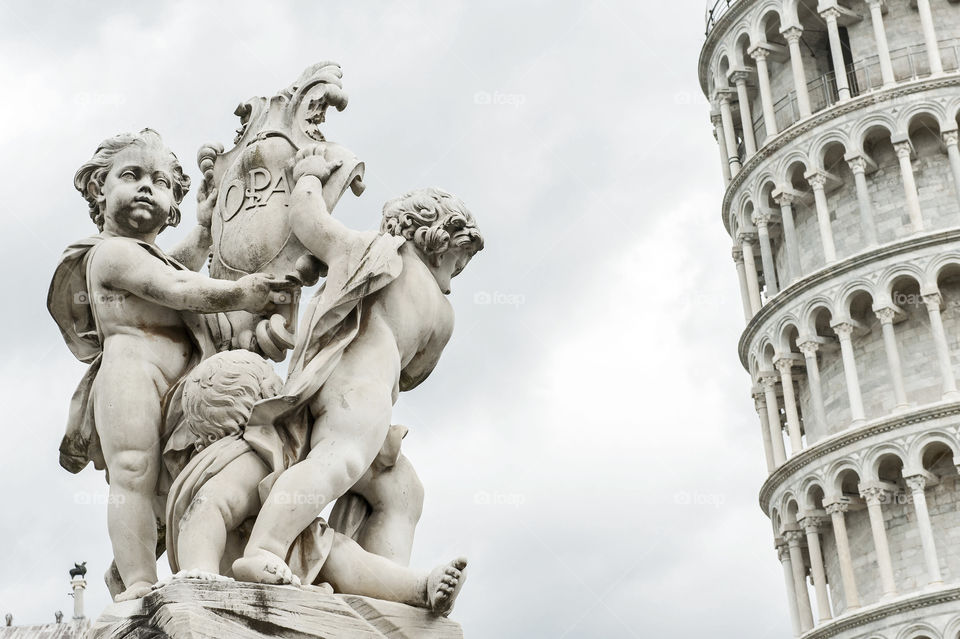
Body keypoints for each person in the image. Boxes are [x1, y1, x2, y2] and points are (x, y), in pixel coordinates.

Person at [47, 129, 296, 602]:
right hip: (131, 376)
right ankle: (138, 583)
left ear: (173, 202)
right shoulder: (109, 253)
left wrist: (202, 231)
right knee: (133, 474)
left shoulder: (151, 257)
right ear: (99, 189)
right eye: (132, 175)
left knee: (169, 480)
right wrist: (241, 293)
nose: (147, 186)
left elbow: (175, 268)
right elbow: (176, 288)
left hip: (181, 384)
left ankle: (162, 558)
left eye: (160, 182)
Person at [231, 144, 483, 594]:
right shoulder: (386, 260)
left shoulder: (371, 256)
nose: (455, 275)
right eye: (458, 262)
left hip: (368, 399)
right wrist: (309, 172)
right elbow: (415, 372)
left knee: (402, 489)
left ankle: (390, 591)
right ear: (439, 239)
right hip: (358, 389)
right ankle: (264, 548)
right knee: (338, 459)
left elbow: (310, 221)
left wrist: (311, 177)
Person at [166, 350, 466, 615]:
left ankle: (422, 587)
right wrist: (200, 572)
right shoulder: (246, 458)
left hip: (285, 558)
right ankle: (420, 587)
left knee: (341, 554)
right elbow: (206, 508)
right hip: (245, 568)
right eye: (275, 387)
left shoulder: (267, 453)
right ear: (263, 399)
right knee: (341, 556)